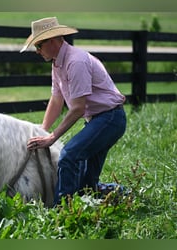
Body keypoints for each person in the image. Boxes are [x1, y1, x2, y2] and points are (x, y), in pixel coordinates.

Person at [21, 17, 127, 206]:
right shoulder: (57, 63)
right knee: (87, 184)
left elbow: (78, 108)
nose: (37, 51)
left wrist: (52, 137)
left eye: (39, 45)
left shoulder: (75, 61)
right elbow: (56, 99)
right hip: (99, 120)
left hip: (110, 119)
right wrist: (43, 130)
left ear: (52, 40)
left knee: (69, 155)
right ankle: (123, 194)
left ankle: (61, 212)